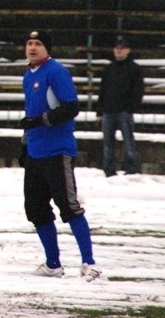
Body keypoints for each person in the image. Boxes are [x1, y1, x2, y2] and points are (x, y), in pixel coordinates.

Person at [19, 30, 101, 282]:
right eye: (29, 43)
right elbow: (29, 113)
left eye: (38, 44)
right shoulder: (28, 75)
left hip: (57, 151)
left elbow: (71, 106)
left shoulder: (56, 72)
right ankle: (53, 263)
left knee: (68, 206)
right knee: (35, 208)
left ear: (47, 49)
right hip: (35, 152)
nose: (32, 47)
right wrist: (25, 144)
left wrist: (41, 120)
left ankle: (90, 263)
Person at [96, 36, 144, 177]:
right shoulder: (108, 69)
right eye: (117, 48)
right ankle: (109, 170)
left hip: (124, 111)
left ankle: (131, 169)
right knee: (107, 144)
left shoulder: (135, 69)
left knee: (129, 142)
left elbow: (138, 90)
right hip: (108, 110)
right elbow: (102, 90)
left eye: (122, 48)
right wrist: (99, 110)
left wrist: (131, 108)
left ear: (128, 50)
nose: (119, 51)